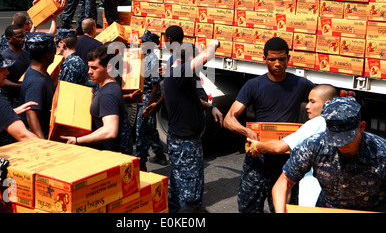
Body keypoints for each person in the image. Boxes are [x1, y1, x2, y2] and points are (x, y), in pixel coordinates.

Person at [223, 37, 315, 213]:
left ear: (289, 59)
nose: (277, 63)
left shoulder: (300, 84)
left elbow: (322, 102)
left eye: (282, 59)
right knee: (248, 208)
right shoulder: (253, 85)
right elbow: (229, 118)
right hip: (258, 157)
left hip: (286, 161)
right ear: (264, 59)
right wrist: (246, 131)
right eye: (272, 59)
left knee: (284, 209)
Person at [272, 96, 386, 212]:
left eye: (346, 139)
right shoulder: (315, 145)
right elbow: (284, 182)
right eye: (335, 139)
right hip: (327, 208)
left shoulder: (381, 152)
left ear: (361, 127)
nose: (340, 144)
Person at [246, 84, 337, 207]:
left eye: (312, 102)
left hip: (313, 198)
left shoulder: (315, 123)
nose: (307, 106)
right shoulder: (343, 125)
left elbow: (280, 147)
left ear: (327, 103)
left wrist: (257, 146)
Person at [164, 38, 220, 213]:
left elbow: (194, 99)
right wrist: (214, 44)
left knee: (177, 192)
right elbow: (206, 57)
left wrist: (211, 107)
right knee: (190, 199)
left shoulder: (182, 78)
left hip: (185, 143)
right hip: (184, 145)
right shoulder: (178, 74)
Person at [61, 44, 132, 155]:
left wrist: (77, 141)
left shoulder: (108, 94)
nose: (89, 71)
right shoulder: (106, 87)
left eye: (94, 68)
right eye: (89, 67)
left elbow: (110, 131)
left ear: (109, 68)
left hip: (107, 156)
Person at [134, 30, 167, 172]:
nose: (141, 44)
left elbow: (154, 87)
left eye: (144, 42)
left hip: (148, 98)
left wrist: (148, 108)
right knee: (150, 129)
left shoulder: (152, 59)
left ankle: (141, 164)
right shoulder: (145, 56)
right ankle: (159, 154)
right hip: (143, 96)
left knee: (141, 131)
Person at [19, 33, 56, 139]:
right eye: (54, 51)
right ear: (48, 55)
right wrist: (42, 142)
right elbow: (31, 115)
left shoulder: (39, 72)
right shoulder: (36, 82)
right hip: (41, 133)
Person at [0, 25, 32, 108]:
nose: (23, 39)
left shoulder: (26, 53)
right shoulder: (5, 56)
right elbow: (1, 80)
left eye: (23, 36)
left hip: (24, 96)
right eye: (18, 37)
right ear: (9, 39)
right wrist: (19, 86)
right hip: (11, 100)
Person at [76, 17, 103, 92]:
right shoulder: (98, 44)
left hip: (77, 76)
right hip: (90, 78)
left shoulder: (75, 41)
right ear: (93, 28)